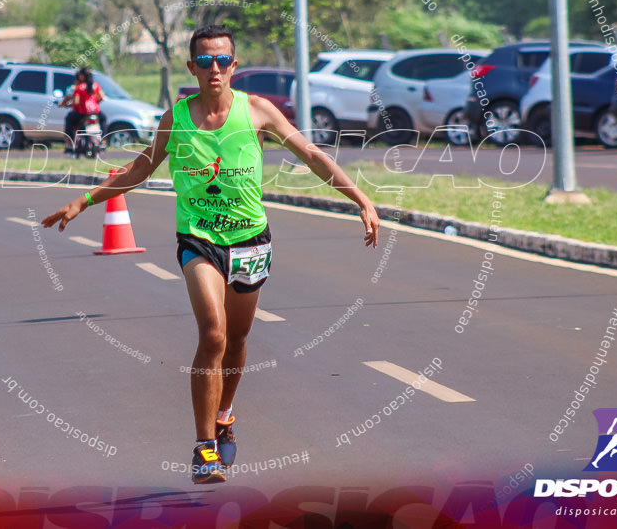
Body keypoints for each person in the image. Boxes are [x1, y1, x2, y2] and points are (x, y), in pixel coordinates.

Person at [43, 24, 379, 484]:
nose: (214, 68)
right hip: (198, 240)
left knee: (238, 340)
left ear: (234, 66)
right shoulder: (175, 118)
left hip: (251, 240)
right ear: (192, 68)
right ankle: (204, 449)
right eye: (205, 61)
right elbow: (142, 167)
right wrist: (84, 201)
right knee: (214, 333)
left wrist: (360, 198)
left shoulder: (257, 111)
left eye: (222, 60)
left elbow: (311, 153)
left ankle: (224, 413)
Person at [62, 68, 105, 154]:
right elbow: (102, 97)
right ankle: (103, 140)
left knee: (69, 120)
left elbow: (77, 102)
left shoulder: (79, 88)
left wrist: (71, 103)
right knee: (103, 120)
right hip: (95, 112)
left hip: (83, 113)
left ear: (81, 76)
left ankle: (70, 141)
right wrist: (95, 102)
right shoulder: (95, 85)